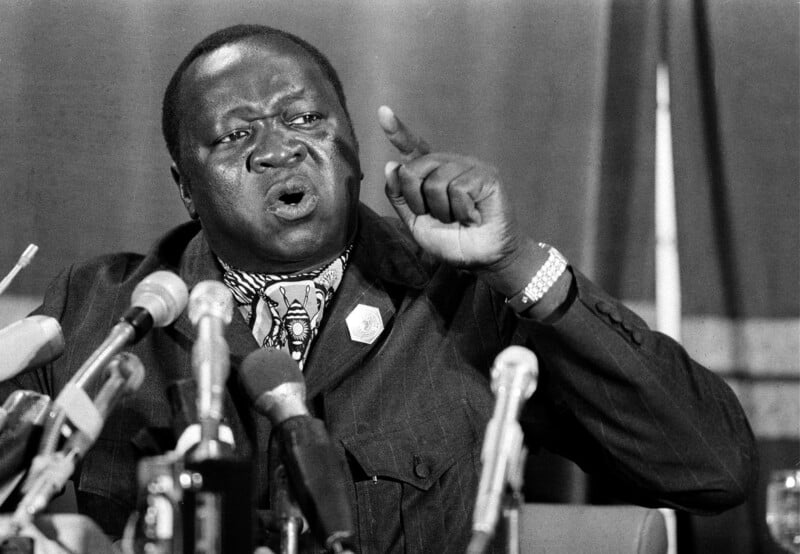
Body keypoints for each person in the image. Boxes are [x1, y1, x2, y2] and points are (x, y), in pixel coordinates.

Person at [0, 24, 756, 553]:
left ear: (354, 152)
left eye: (305, 117)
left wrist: (519, 265)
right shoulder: (103, 310)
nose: (277, 147)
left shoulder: (465, 305)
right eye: (234, 135)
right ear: (187, 189)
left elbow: (713, 470)